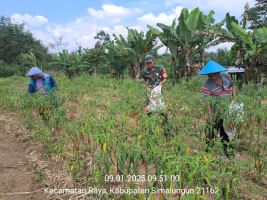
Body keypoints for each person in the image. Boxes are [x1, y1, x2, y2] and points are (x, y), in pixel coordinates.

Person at [199, 60, 236, 157]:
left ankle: (227, 153)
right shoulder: (206, 86)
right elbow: (206, 103)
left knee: (226, 133)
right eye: (210, 76)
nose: (213, 78)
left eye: (215, 75)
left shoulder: (226, 76)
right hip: (215, 113)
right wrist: (210, 117)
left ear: (219, 73)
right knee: (211, 133)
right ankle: (208, 152)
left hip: (228, 111)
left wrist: (234, 98)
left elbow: (232, 86)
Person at [140, 55, 171, 136]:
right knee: (149, 110)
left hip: (159, 92)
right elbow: (142, 81)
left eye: (150, 63)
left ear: (153, 61)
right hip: (149, 93)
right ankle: (151, 131)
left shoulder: (160, 68)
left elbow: (165, 78)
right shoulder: (144, 71)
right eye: (147, 64)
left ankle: (167, 131)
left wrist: (161, 83)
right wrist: (146, 88)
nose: (149, 65)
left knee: (163, 110)